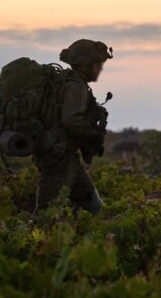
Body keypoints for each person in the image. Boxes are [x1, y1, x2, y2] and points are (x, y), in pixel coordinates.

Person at [35, 38, 112, 213]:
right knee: (46, 214)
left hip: (67, 158)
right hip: (58, 159)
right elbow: (72, 121)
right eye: (98, 64)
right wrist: (94, 134)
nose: (100, 68)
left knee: (93, 208)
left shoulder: (66, 82)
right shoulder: (76, 87)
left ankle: (90, 239)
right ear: (85, 64)